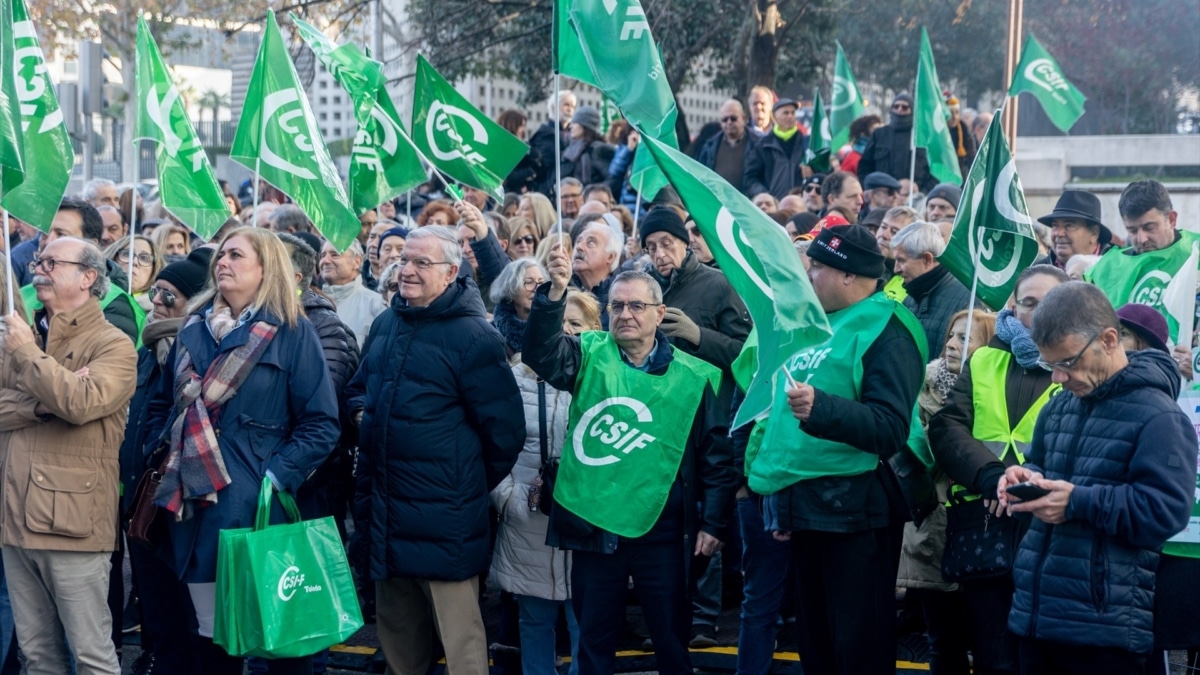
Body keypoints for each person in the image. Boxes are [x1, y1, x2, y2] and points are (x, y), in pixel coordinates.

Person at [522, 246, 738, 675]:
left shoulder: (696, 376)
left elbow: (716, 456)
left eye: (637, 306)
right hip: (596, 525)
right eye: (617, 305)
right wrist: (554, 296)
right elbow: (540, 354)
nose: (626, 314)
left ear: (660, 314)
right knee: (594, 643)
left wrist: (713, 523)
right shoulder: (587, 353)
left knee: (671, 641)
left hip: (664, 532)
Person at [140, 228, 339, 675]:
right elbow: (160, 404)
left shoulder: (292, 333)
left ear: (265, 269)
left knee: (282, 640)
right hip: (193, 509)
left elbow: (321, 423)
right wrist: (164, 448)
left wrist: (273, 477)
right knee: (211, 641)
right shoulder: (192, 328)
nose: (222, 262)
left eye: (236, 255)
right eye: (221, 255)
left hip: (257, 512)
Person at [347, 225, 523, 675]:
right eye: (404, 260)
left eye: (421, 263)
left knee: (461, 645)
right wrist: (361, 411)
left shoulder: (474, 336)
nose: (406, 270)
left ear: (450, 273)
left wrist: (461, 483)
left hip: (445, 521)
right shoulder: (387, 323)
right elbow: (358, 388)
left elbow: (505, 433)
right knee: (401, 643)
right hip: (388, 513)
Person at [752, 225, 927, 674]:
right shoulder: (817, 325)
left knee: (858, 647)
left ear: (849, 275)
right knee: (819, 646)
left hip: (858, 514)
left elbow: (890, 427)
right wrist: (784, 505)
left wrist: (823, 408)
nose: (808, 276)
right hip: (811, 510)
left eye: (817, 267)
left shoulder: (888, 329)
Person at [996, 282, 1196, 674]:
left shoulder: (1160, 417)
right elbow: (1044, 465)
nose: (1056, 377)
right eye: (1049, 364)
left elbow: (1166, 512)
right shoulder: (1060, 407)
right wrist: (1026, 480)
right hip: (1036, 615)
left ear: (1108, 339)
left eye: (1067, 363)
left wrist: (1076, 502)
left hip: (1105, 630)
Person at [0, 237, 136, 675]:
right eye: (39, 259)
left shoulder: (112, 343)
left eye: (52, 262)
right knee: (37, 656)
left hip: (72, 523)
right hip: (15, 518)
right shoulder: (28, 331)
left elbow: (80, 402)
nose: (39, 267)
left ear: (89, 277)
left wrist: (26, 356)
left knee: (92, 655)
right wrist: (40, 404)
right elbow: (50, 400)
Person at [928, 265, 1069, 675]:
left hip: (1047, 524)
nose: (1038, 313)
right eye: (1028, 303)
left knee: (1043, 652)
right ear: (1012, 305)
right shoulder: (985, 358)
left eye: (1050, 303)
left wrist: (1026, 485)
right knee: (994, 654)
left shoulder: (1076, 364)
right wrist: (993, 477)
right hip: (984, 520)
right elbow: (948, 426)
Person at [488, 262, 593, 675]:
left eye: (577, 323)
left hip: (586, 518)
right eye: (558, 322)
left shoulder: (602, 377)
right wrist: (509, 497)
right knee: (534, 621)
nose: (565, 332)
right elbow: (494, 445)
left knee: (584, 619)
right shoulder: (513, 378)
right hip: (529, 521)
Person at [120, 249, 213, 675]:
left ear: (193, 301)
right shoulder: (148, 349)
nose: (156, 301)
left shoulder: (197, 350)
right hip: (144, 499)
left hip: (184, 503)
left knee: (190, 619)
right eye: (155, 290)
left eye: (169, 295)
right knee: (155, 609)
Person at [900, 308, 995, 675]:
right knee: (943, 639)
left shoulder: (989, 392)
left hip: (979, 526)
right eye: (952, 336)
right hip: (931, 527)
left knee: (986, 639)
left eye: (965, 338)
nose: (952, 345)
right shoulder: (920, 385)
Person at [1086, 180, 1197, 368]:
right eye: (1132, 230)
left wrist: (1196, 361)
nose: (1141, 239)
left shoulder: (1196, 253)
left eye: (1149, 228)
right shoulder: (1106, 268)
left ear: (1171, 219)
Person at [20, 198, 143, 345]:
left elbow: (104, 364)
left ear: (92, 245)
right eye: (44, 233)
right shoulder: (22, 295)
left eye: (61, 234)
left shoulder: (115, 304)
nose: (48, 241)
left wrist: (24, 351)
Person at [891, 221, 974, 360]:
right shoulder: (910, 297)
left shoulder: (968, 300)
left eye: (901, 260)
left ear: (927, 259)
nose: (896, 269)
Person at [857, 93, 936, 193]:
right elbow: (864, 167)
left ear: (912, 110)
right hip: (883, 197)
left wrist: (923, 192)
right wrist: (873, 189)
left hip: (915, 198)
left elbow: (936, 171)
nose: (899, 110)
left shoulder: (923, 137)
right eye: (896, 106)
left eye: (905, 107)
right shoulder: (879, 134)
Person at [320, 239, 387, 344]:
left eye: (335, 255)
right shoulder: (312, 302)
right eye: (323, 255)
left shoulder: (375, 305)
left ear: (357, 261)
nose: (325, 261)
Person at [743, 98, 810, 200]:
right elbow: (750, 178)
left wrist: (811, 174)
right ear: (774, 117)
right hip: (773, 206)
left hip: (801, 203)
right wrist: (763, 194)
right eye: (785, 113)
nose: (790, 116)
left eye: (793, 113)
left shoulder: (806, 143)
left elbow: (822, 172)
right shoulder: (762, 146)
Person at [1033, 190, 1113, 270]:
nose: (1059, 233)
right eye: (1055, 225)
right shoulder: (1037, 272)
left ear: (1094, 233)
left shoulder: (1116, 270)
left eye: (1069, 226)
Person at [698, 99, 757, 192]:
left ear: (744, 118)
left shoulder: (757, 144)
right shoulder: (709, 146)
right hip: (719, 201)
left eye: (733, 118)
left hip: (747, 201)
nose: (729, 122)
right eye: (724, 120)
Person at [570, 221, 622, 320]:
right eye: (578, 241)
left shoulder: (621, 297)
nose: (579, 247)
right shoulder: (563, 289)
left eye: (591, 242)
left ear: (610, 257)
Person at [529, 91, 577, 196]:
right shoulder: (543, 135)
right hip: (548, 191)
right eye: (566, 104)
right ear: (553, 107)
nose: (570, 109)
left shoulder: (573, 136)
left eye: (573, 106)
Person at [104, 235, 163, 314]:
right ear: (113, 258)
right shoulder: (92, 295)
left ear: (154, 269)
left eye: (144, 258)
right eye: (127, 254)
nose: (134, 262)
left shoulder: (159, 310)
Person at [562, 107, 614, 189]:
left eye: (575, 123)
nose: (570, 126)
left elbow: (613, 179)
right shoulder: (571, 149)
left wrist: (592, 193)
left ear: (585, 126)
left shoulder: (598, 149)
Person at [499, 109, 543, 195]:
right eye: (521, 125)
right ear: (512, 125)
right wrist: (528, 172)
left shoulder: (527, 148)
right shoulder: (502, 149)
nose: (524, 130)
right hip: (509, 195)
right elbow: (508, 176)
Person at [945, 97, 977, 178]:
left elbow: (972, 156)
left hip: (961, 175)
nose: (954, 117)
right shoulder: (940, 131)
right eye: (951, 113)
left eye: (956, 113)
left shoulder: (964, 130)